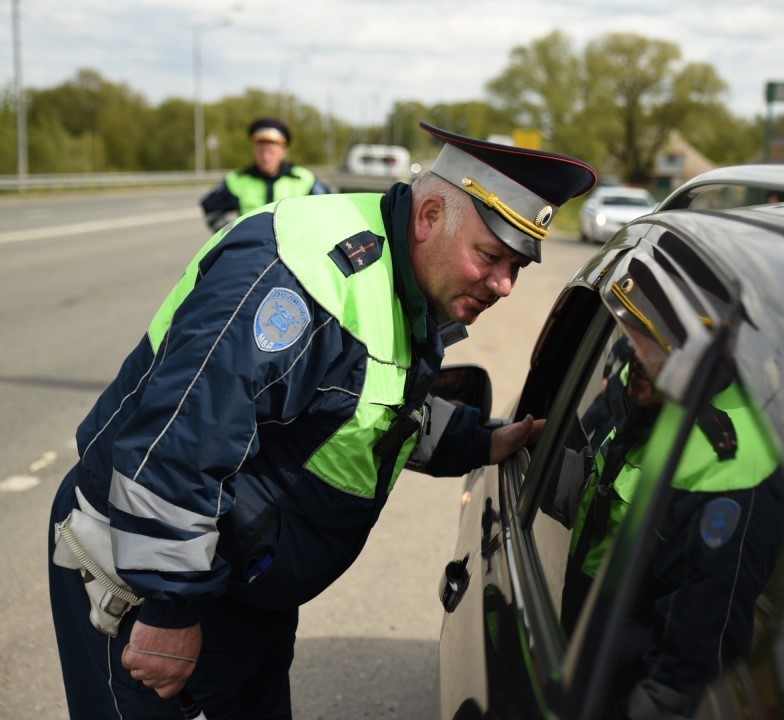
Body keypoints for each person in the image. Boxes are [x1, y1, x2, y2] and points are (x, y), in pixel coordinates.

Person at [48, 122, 597, 719]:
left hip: (240, 588)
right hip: (145, 577)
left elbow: (364, 411)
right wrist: (169, 612)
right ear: (429, 216)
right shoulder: (300, 277)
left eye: (518, 266)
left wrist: (486, 440)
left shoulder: (402, 282)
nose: (505, 286)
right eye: (490, 257)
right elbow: (179, 441)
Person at [561, 327, 784, 719]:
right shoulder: (642, 384)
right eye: (642, 331)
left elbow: (687, 670)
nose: (639, 353)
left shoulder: (733, 470)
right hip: (580, 657)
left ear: (723, 350)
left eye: (667, 341)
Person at [199, 117, 332, 233]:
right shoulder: (237, 179)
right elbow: (211, 208)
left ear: (282, 151)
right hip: (252, 251)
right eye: (260, 151)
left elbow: (328, 210)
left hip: (293, 252)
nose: (265, 157)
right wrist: (232, 235)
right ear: (253, 150)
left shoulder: (304, 178)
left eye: (271, 152)